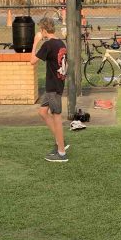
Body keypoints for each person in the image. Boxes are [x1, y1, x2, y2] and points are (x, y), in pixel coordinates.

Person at [31, 16, 68, 162]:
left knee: (56, 116)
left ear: (44, 30)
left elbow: (32, 61)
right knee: (42, 112)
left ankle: (62, 153)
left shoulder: (48, 44)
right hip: (56, 84)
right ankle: (60, 141)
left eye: (41, 30)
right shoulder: (60, 42)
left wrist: (35, 42)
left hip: (53, 86)